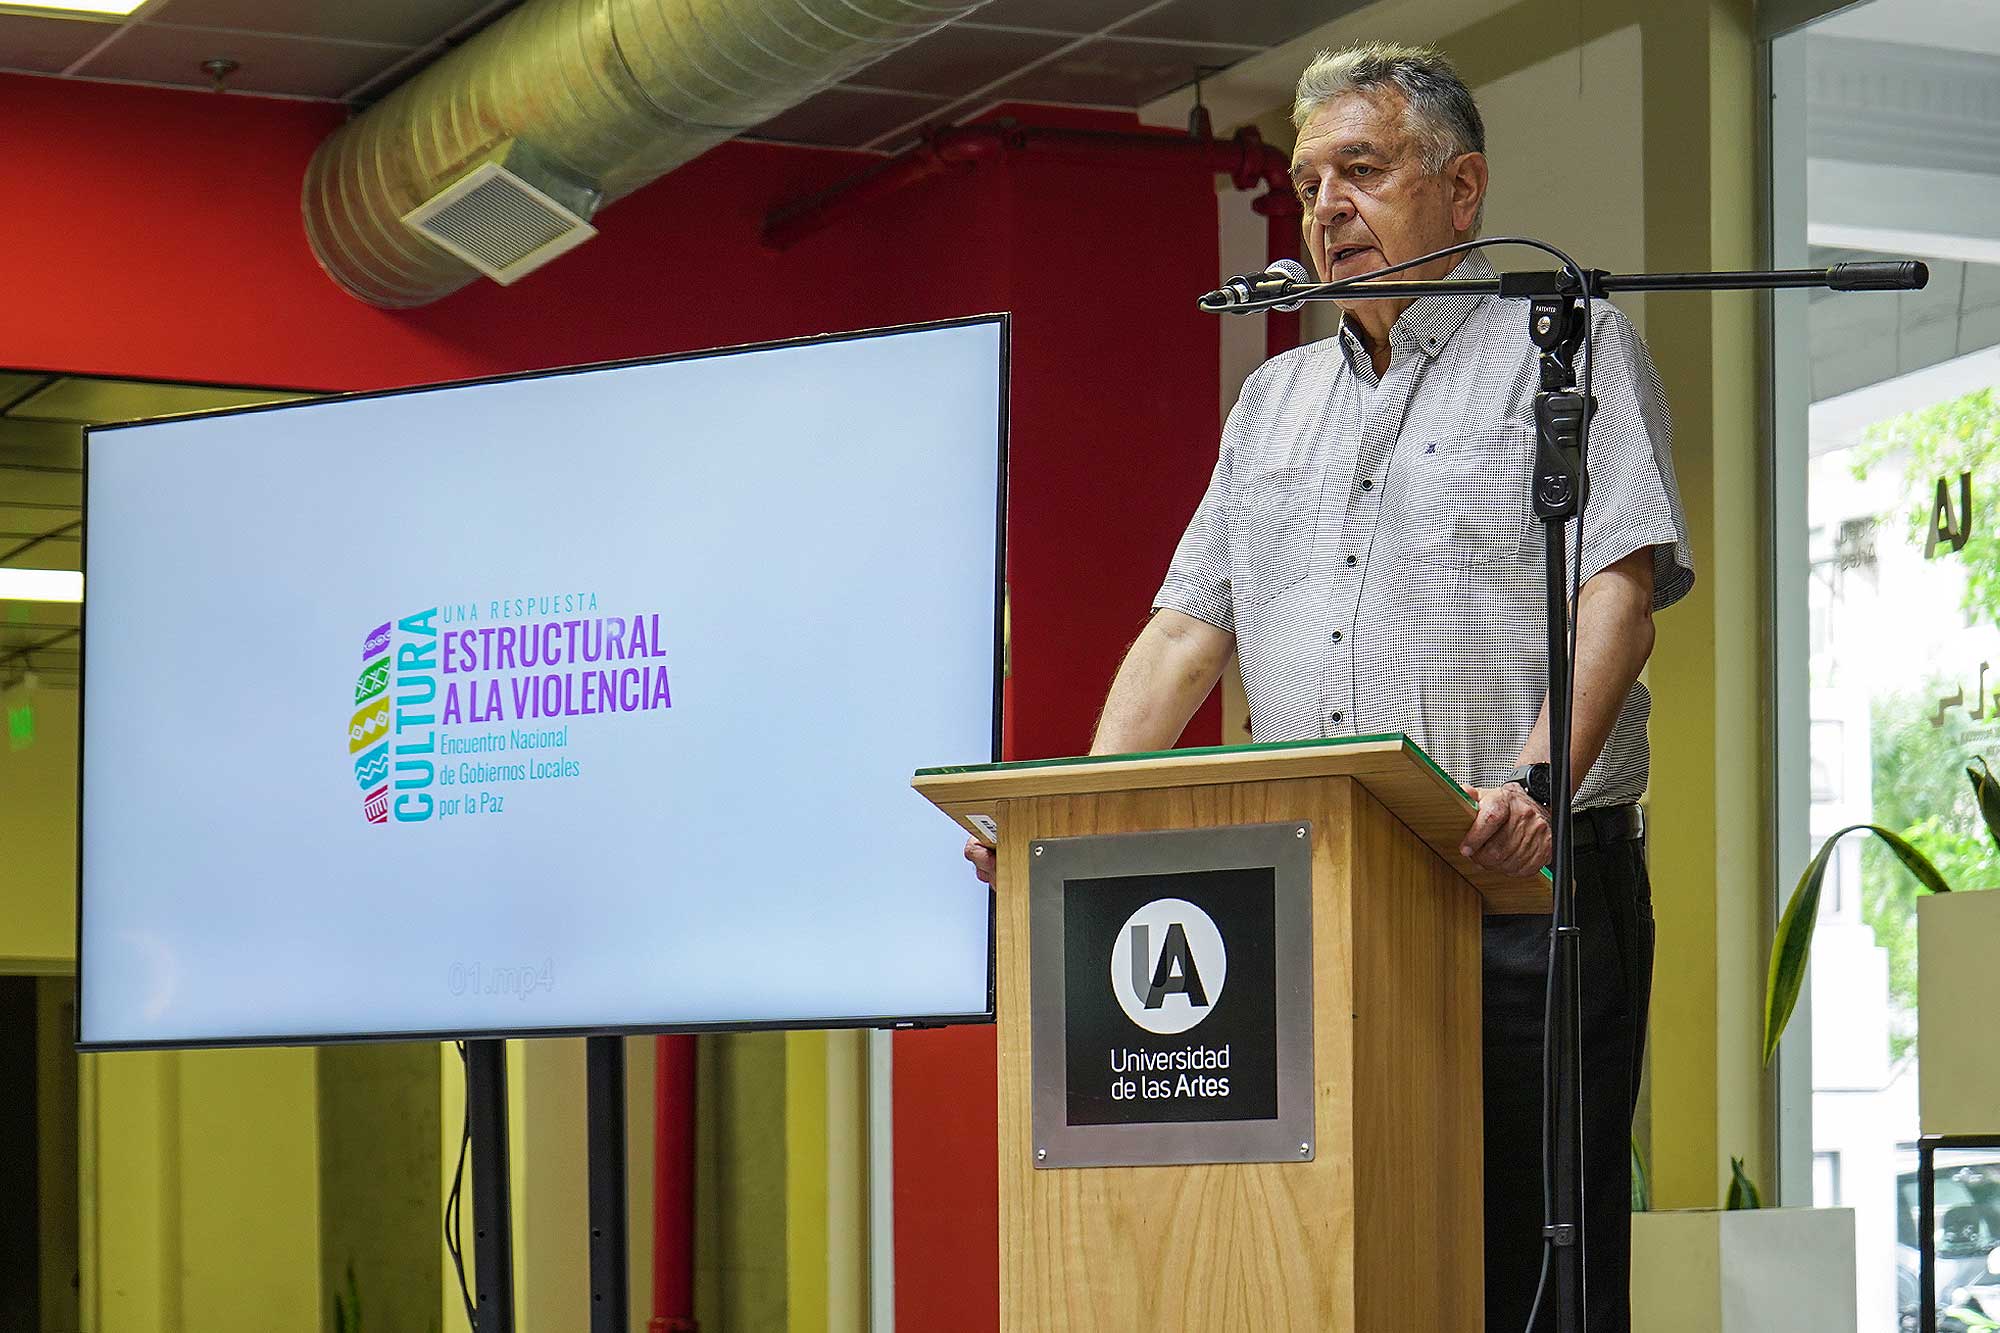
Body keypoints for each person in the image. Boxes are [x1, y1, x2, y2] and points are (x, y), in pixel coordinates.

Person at [964, 41, 1693, 1333]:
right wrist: (1069, 821)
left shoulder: (1566, 352)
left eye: (1363, 170)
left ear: (1462, 191)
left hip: (1524, 889)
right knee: (1338, 1261)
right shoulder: (1272, 402)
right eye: (1309, 184)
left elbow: (1618, 601)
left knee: (1529, 1272)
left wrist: (1532, 784)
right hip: (1319, 899)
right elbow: (1185, 634)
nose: (1327, 208)